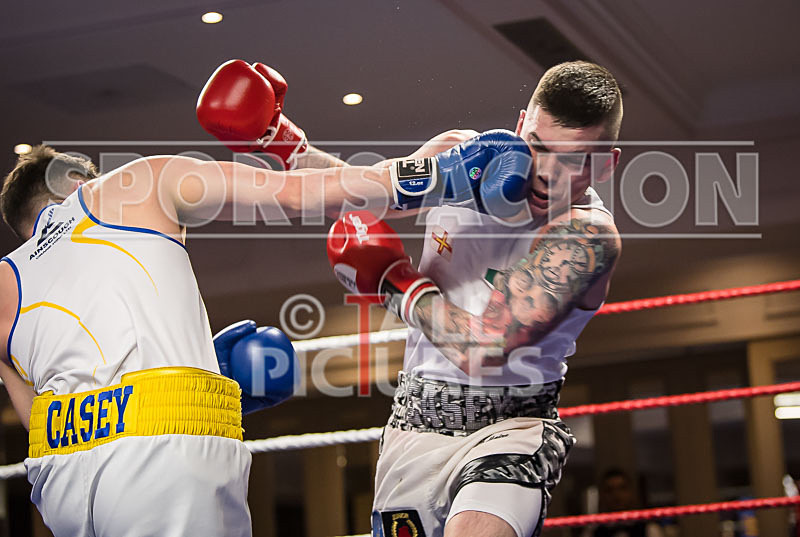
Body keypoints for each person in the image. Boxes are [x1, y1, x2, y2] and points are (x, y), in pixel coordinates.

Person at [0, 113, 530, 536]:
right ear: (80, 183)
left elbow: (40, 426)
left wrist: (200, 379)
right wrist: (438, 174)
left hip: (64, 488)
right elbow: (298, 194)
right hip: (166, 458)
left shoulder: (7, 279)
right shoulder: (128, 185)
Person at [208, 59, 623, 537]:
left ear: (605, 163)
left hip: (513, 429)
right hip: (415, 420)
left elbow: (483, 348)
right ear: (519, 127)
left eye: (572, 159)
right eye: (537, 145)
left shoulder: (585, 238)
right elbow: (356, 197)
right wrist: (278, 139)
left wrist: (392, 281)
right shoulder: (460, 153)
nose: (547, 172)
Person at [584, 469, 666, 537]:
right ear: (602, 496)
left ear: (631, 492)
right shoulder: (592, 532)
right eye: (609, 490)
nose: (616, 495)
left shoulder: (650, 529)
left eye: (622, 488)